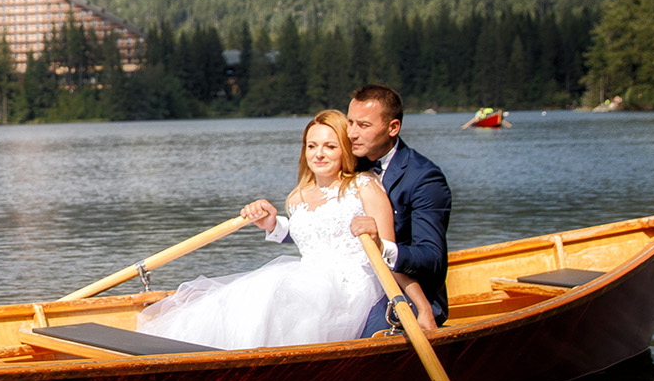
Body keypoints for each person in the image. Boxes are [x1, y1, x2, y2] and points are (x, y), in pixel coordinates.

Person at [136, 110, 432, 349]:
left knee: (280, 299)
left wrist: (423, 309)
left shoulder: (364, 186)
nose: (319, 154)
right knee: (247, 297)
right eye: (312, 146)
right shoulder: (296, 197)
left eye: (330, 146)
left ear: (345, 149)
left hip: (352, 289)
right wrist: (271, 223)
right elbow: (311, 234)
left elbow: (389, 257)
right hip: (306, 280)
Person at [341, 84, 451, 334]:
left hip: (405, 297)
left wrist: (382, 247)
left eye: (364, 125)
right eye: (350, 122)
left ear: (393, 127)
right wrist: (277, 226)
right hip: (350, 285)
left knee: (358, 333)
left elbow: (432, 258)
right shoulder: (346, 164)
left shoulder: (424, 178)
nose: (352, 134)